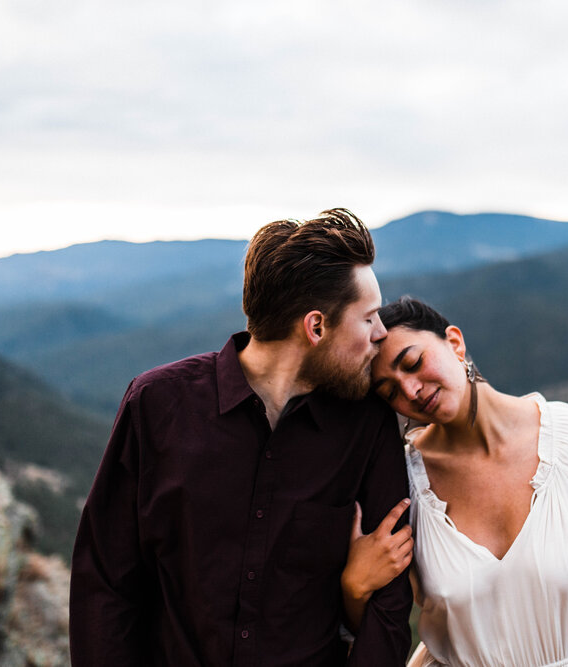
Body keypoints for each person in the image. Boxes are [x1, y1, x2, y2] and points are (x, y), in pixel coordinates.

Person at [69, 209, 413, 666]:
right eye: (368, 319)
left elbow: (389, 606)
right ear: (316, 327)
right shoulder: (157, 405)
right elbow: (106, 582)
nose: (381, 334)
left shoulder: (366, 425)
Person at [341, 297, 568, 667]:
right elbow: (379, 631)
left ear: (455, 343)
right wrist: (353, 586)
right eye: (390, 391)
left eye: (413, 363)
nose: (410, 390)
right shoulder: (404, 482)